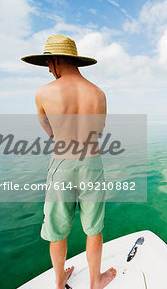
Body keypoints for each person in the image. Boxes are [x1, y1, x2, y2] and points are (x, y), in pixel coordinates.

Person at [22, 34, 116, 289]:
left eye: (47, 65)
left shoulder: (43, 93)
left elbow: (48, 127)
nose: (48, 71)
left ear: (54, 61)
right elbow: (98, 129)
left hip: (61, 164)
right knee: (94, 227)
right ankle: (95, 282)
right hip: (92, 163)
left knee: (56, 229)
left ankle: (59, 280)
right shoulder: (98, 94)